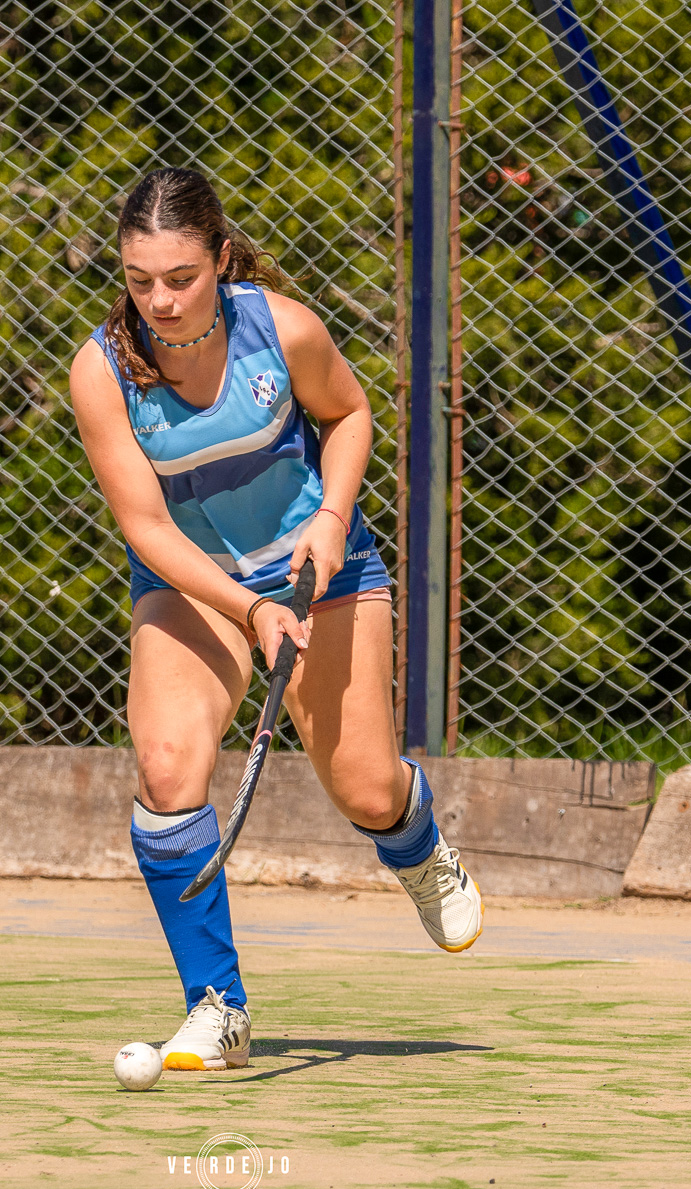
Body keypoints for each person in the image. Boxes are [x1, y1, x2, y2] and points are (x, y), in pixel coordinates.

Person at [68, 168, 483, 1072]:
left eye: (181, 277)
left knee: (364, 789)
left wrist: (332, 520)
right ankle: (217, 1006)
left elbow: (350, 415)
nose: (161, 300)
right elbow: (144, 525)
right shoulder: (102, 371)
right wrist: (248, 609)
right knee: (169, 763)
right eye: (141, 281)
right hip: (195, 581)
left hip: (310, 567)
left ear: (219, 259)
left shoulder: (283, 329)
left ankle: (416, 844)